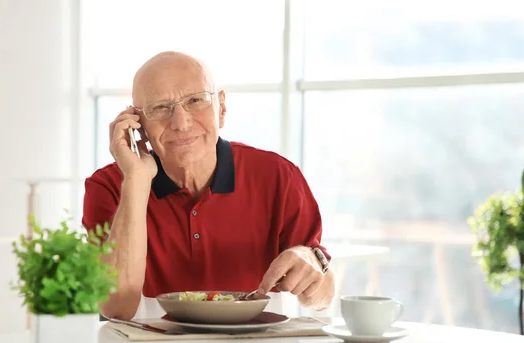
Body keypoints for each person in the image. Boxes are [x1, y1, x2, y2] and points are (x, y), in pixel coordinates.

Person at [82, 51, 335, 320]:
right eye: (160, 108)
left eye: (195, 101)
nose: (180, 123)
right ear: (138, 124)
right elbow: (117, 308)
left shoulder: (278, 176)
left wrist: (310, 265)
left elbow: (324, 296)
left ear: (221, 108)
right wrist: (135, 180)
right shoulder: (109, 186)